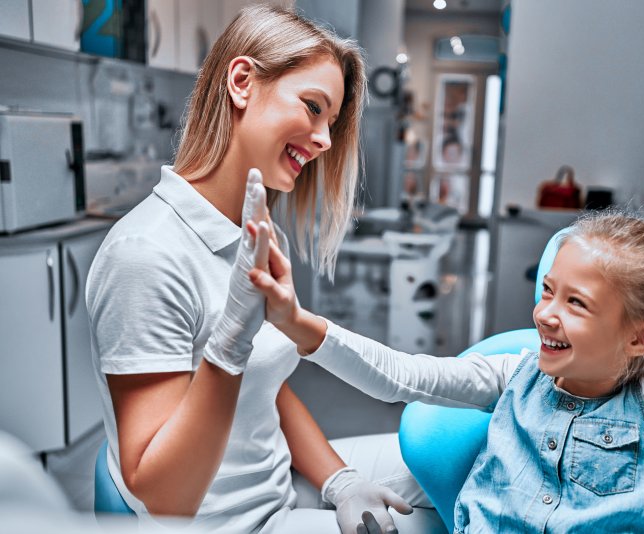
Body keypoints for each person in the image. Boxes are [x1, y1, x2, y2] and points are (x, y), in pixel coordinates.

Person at [86, 6, 429, 533]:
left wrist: (340, 481)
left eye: (331, 123)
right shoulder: (145, 254)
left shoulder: (255, 229)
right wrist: (228, 346)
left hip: (284, 489)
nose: (324, 141)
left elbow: (264, 386)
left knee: (469, 464)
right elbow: (164, 500)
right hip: (231, 524)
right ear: (242, 82)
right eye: (313, 107)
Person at [248, 209, 644, 532]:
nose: (544, 314)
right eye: (547, 291)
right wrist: (298, 323)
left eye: (576, 303)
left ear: (641, 337)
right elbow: (403, 375)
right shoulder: (514, 375)